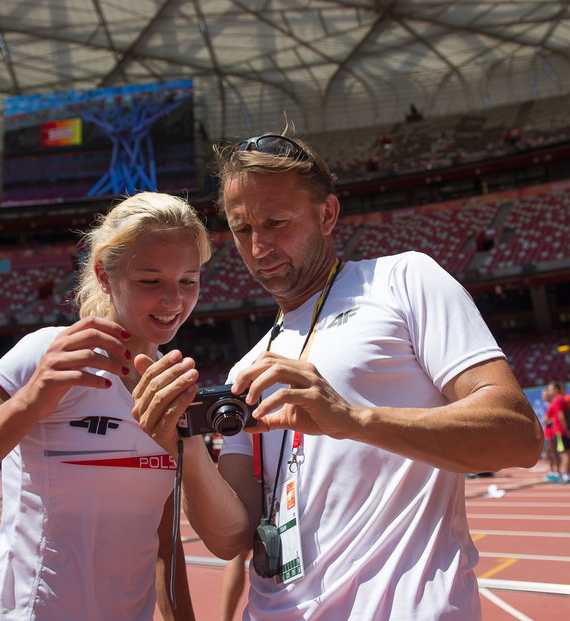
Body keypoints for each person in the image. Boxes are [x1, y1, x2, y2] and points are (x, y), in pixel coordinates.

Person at [132, 132, 543, 619]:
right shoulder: (248, 367)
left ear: (327, 214)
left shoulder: (404, 280)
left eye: (276, 222)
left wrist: (355, 420)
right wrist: (187, 445)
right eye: (242, 229)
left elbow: (518, 436)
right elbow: (231, 539)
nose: (258, 246)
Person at [0, 192, 211, 620]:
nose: (173, 300)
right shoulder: (47, 353)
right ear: (103, 275)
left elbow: (164, 547)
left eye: (188, 280)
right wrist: (29, 402)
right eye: (150, 281)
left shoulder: (169, 386)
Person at [545, 382, 570, 483]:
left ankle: (566, 475)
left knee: (564, 453)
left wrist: (565, 429)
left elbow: (561, 416)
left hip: (560, 431)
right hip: (562, 430)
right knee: (568, 451)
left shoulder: (558, 400)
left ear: (556, 390)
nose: (549, 391)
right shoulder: (562, 399)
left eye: (550, 389)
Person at [540, 389, 560, 481]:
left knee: (552, 453)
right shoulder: (550, 405)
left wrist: (547, 420)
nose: (542, 397)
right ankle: (553, 471)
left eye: (544, 395)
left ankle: (556, 472)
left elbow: (552, 419)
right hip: (548, 432)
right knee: (550, 453)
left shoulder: (552, 405)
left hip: (551, 433)